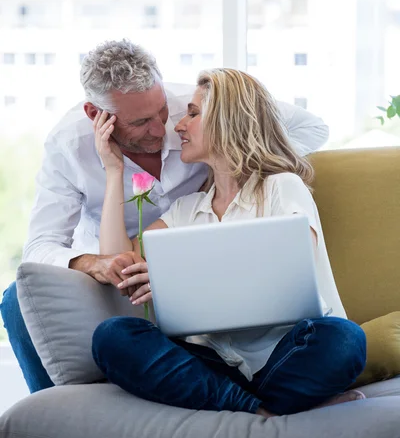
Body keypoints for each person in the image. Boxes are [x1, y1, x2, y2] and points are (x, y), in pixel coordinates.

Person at [0, 39, 330, 394]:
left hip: (195, 279)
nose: (163, 129)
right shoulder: (69, 146)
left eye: (163, 112)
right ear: (97, 115)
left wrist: (236, 165)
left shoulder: (206, 105)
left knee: (338, 340)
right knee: (18, 300)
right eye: (141, 122)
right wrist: (92, 261)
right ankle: (53, 417)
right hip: (121, 275)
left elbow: (310, 129)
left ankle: (228, 395)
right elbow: (42, 246)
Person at [91, 68, 366, 417]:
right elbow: (119, 261)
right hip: (213, 362)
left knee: (344, 339)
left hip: (286, 355)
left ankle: (236, 406)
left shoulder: (281, 187)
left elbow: (287, 278)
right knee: (114, 336)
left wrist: (175, 282)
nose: (179, 126)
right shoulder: (186, 211)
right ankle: (263, 412)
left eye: (193, 113)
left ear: (227, 119)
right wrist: (113, 170)